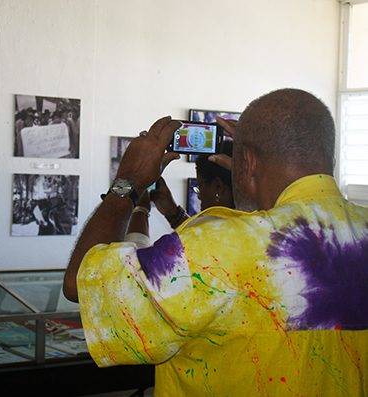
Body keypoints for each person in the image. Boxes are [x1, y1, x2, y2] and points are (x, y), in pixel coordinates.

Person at [63, 89, 367, 396]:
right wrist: (253, 176)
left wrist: (126, 183)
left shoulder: (215, 250)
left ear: (247, 160)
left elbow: (80, 283)